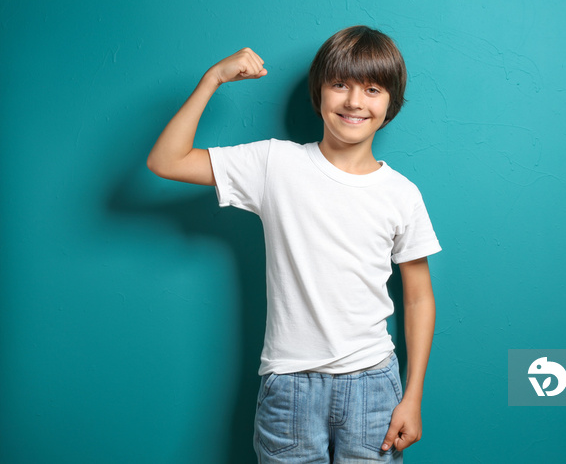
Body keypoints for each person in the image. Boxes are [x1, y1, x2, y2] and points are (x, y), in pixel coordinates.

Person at [147, 25, 441, 463]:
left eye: (372, 89)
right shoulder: (275, 164)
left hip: (374, 387)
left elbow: (418, 298)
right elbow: (166, 160)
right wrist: (213, 79)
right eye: (340, 84)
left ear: (390, 104)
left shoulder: (402, 193)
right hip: (290, 387)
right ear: (319, 92)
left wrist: (413, 395)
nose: (354, 102)